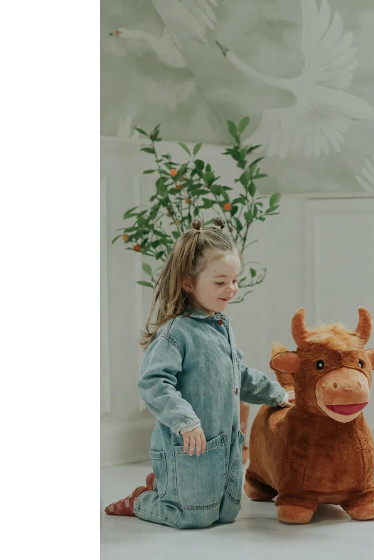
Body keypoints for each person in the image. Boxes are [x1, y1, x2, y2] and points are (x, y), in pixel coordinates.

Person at [104, 218, 292, 529]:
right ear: (188, 282)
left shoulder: (221, 327)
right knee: (191, 516)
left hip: (221, 451)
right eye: (220, 282)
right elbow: (153, 383)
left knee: (227, 512)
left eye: (235, 280)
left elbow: (237, 374)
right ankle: (142, 500)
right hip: (188, 447)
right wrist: (185, 420)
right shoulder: (175, 334)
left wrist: (276, 393)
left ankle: (166, 489)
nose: (231, 289)